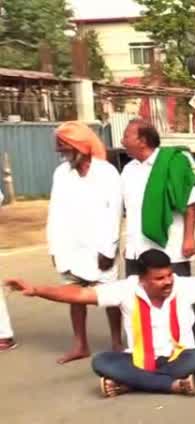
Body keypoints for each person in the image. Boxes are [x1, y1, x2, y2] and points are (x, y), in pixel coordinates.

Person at [4, 250, 195, 397]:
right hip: (139, 359)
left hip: (178, 357)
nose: (167, 282)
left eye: (169, 275)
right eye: (159, 278)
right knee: (101, 361)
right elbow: (80, 294)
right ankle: (171, 385)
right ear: (142, 279)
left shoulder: (183, 286)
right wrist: (37, 290)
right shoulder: (124, 289)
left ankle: (129, 385)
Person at [120, 118, 195, 351]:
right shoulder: (128, 169)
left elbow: (191, 204)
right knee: (139, 300)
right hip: (137, 247)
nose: (122, 141)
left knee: (182, 299)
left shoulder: (173, 163)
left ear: (143, 140)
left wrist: (189, 237)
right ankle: (148, 350)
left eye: (127, 136)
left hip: (171, 248)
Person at [46, 121, 123, 364]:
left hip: (100, 246)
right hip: (70, 245)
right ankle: (80, 344)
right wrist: (54, 248)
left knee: (110, 296)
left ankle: (117, 343)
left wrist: (108, 248)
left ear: (79, 146)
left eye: (64, 147)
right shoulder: (61, 174)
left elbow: (114, 212)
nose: (61, 153)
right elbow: (54, 211)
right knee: (73, 295)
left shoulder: (107, 172)